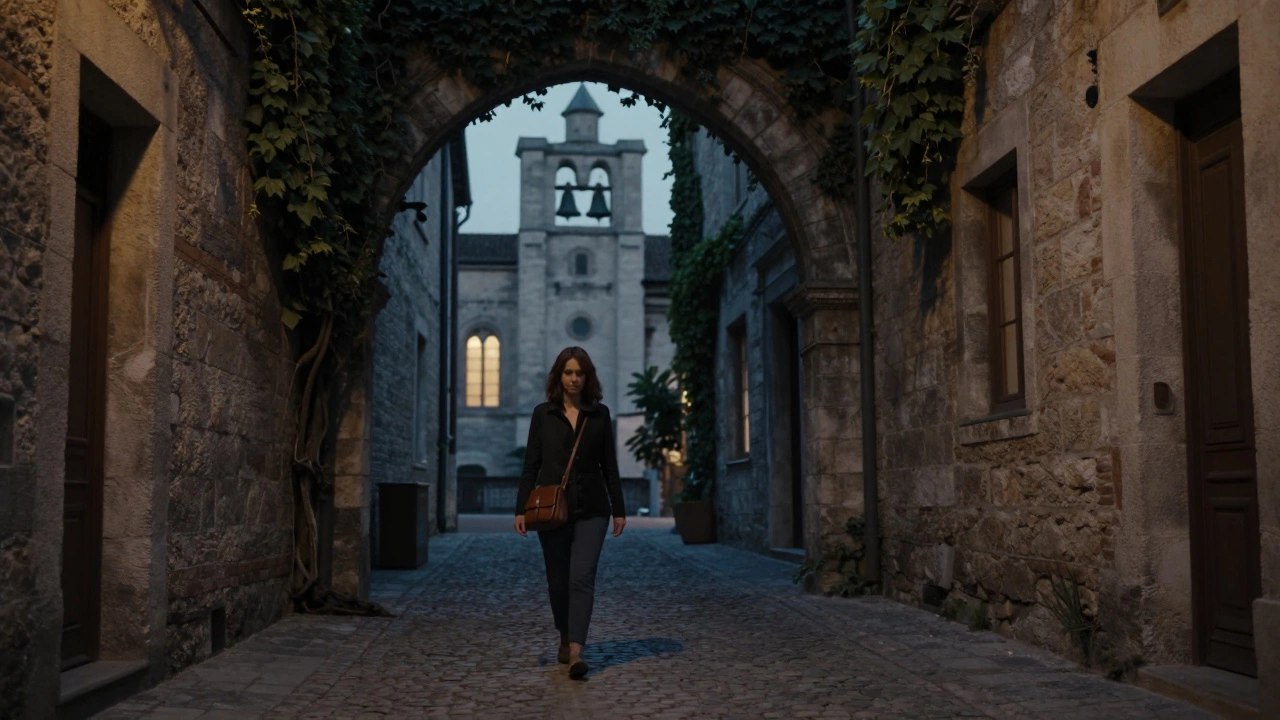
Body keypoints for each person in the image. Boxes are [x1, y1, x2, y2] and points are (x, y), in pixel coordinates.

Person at [513, 346, 626, 679]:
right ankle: (564, 636)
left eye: (580, 373)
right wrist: (521, 508)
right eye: (568, 372)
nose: (574, 379)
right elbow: (531, 463)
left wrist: (618, 509)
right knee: (557, 582)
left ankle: (577, 650)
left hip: (593, 509)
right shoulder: (542, 414)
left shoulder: (599, 415)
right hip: (552, 511)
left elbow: (611, 466)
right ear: (559, 376)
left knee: (581, 577)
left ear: (587, 377)